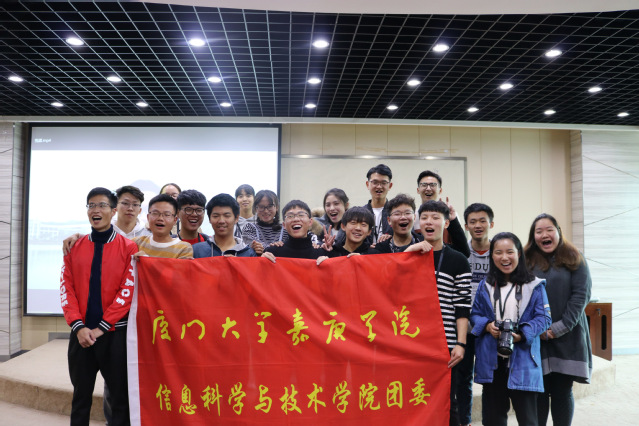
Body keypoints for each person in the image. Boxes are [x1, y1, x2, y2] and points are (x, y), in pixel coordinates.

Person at [61, 187, 137, 426]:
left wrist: (102, 327)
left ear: (113, 211)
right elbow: (66, 289)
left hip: (114, 335)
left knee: (119, 399)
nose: (96, 210)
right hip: (81, 335)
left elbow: (127, 292)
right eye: (91, 205)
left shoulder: (128, 247)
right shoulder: (74, 246)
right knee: (80, 398)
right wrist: (78, 326)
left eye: (102, 205)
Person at [471, 232, 551, 426]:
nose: (504, 257)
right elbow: (475, 314)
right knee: (492, 420)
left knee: (528, 420)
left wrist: (522, 334)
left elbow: (544, 318)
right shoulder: (485, 285)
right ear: (492, 256)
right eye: (498, 252)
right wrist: (487, 326)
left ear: (519, 254)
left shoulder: (534, 285)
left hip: (523, 360)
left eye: (510, 252)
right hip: (492, 362)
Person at [405, 200, 471, 426]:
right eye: (424, 218)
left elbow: (462, 306)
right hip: (412, 343)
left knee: (446, 404)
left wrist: (460, 344)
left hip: (445, 345)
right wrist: (407, 253)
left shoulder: (458, 260)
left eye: (435, 218)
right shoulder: (410, 255)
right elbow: (391, 289)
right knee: (413, 403)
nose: (429, 222)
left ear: (446, 223)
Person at [524, 213, 592, 426]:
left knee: (562, 390)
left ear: (558, 232)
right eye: (539, 231)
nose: (544, 234)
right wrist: (535, 329)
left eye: (549, 230)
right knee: (539, 391)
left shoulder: (575, 257)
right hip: (536, 338)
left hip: (568, 336)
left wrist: (558, 328)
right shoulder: (525, 260)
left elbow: (581, 296)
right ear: (533, 236)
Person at [457, 202, 495, 426]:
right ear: (466, 226)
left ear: (491, 224)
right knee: (463, 378)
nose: (478, 225)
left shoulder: (500, 252)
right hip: (464, 327)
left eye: (482, 221)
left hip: (491, 328)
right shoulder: (461, 253)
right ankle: (465, 421)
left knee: (491, 379)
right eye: (473, 222)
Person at [414, 170, 470, 257]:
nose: (428, 188)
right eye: (424, 185)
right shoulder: (413, 215)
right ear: (418, 190)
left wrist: (453, 219)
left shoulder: (451, 216)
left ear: (440, 190)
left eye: (433, 185)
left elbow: (461, 248)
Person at [193, 193, 257, 258]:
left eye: (227, 216)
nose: (221, 221)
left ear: (236, 218)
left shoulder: (249, 254)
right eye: (216, 216)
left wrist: (238, 263)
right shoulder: (196, 251)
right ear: (209, 219)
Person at [262, 200, 328, 261]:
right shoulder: (272, 253)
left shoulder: (321, 254)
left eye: (301, 215)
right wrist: (262, 261)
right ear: (284, 225)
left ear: (310, 222)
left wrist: (328, 263)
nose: (296, 219)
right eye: (290, 216)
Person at [133, 194, 193, 259]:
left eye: (167, 215)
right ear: (148, 217)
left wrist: (146, 259)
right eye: (155, 213)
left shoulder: (184, 248)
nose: (160, 218)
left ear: (175, 220)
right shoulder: (136, 242)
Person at [242, 190, 287, 255]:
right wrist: (276, 248)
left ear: (277, 207)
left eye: (270, 206)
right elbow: (251, 246)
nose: (266, 211)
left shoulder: (285, 229)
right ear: (255, 208)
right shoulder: (249, 228)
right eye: (261, 207)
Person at [362, 164, 393, 244]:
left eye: (384, 183)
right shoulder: (360, 213)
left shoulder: (395, 212)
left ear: (390, 186)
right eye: (375, 182)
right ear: (367, 184)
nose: (379, 186)